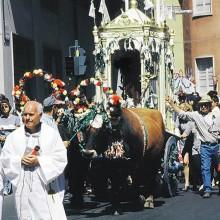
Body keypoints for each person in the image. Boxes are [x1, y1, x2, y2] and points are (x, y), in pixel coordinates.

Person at [0, 101, 67, 219]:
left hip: (43, 186)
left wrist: (39, 161)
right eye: (25, 115)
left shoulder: (51, 135)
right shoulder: (14, 137)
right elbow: (5, 159)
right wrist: (19, 160)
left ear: (40, 115)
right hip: (22, 187)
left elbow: (60, 158)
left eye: (31, 115)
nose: (27, 118)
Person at [167, 95, 220, 198]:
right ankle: (207, 189)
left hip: (217, 145)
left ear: (210, 106)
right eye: (201, 105)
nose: (203, 107)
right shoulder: (196, 115)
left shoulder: (217, 115)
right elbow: (182, 114)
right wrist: (172, 104)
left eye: (206, 105)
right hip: (204, 146)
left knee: (219, 168)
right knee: (205, 168)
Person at [0, 98, 20, 195]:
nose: (4, 108)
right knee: (3, 166)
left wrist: (8, 136)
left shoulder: (15, 118)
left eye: (6, 106)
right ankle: (5, 187)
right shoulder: (0, 119)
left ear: (9, 106)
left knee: (9, 165)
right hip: (2, 145)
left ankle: (8, 187)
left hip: (12, 145)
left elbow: (19, 131)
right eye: (2, 107)